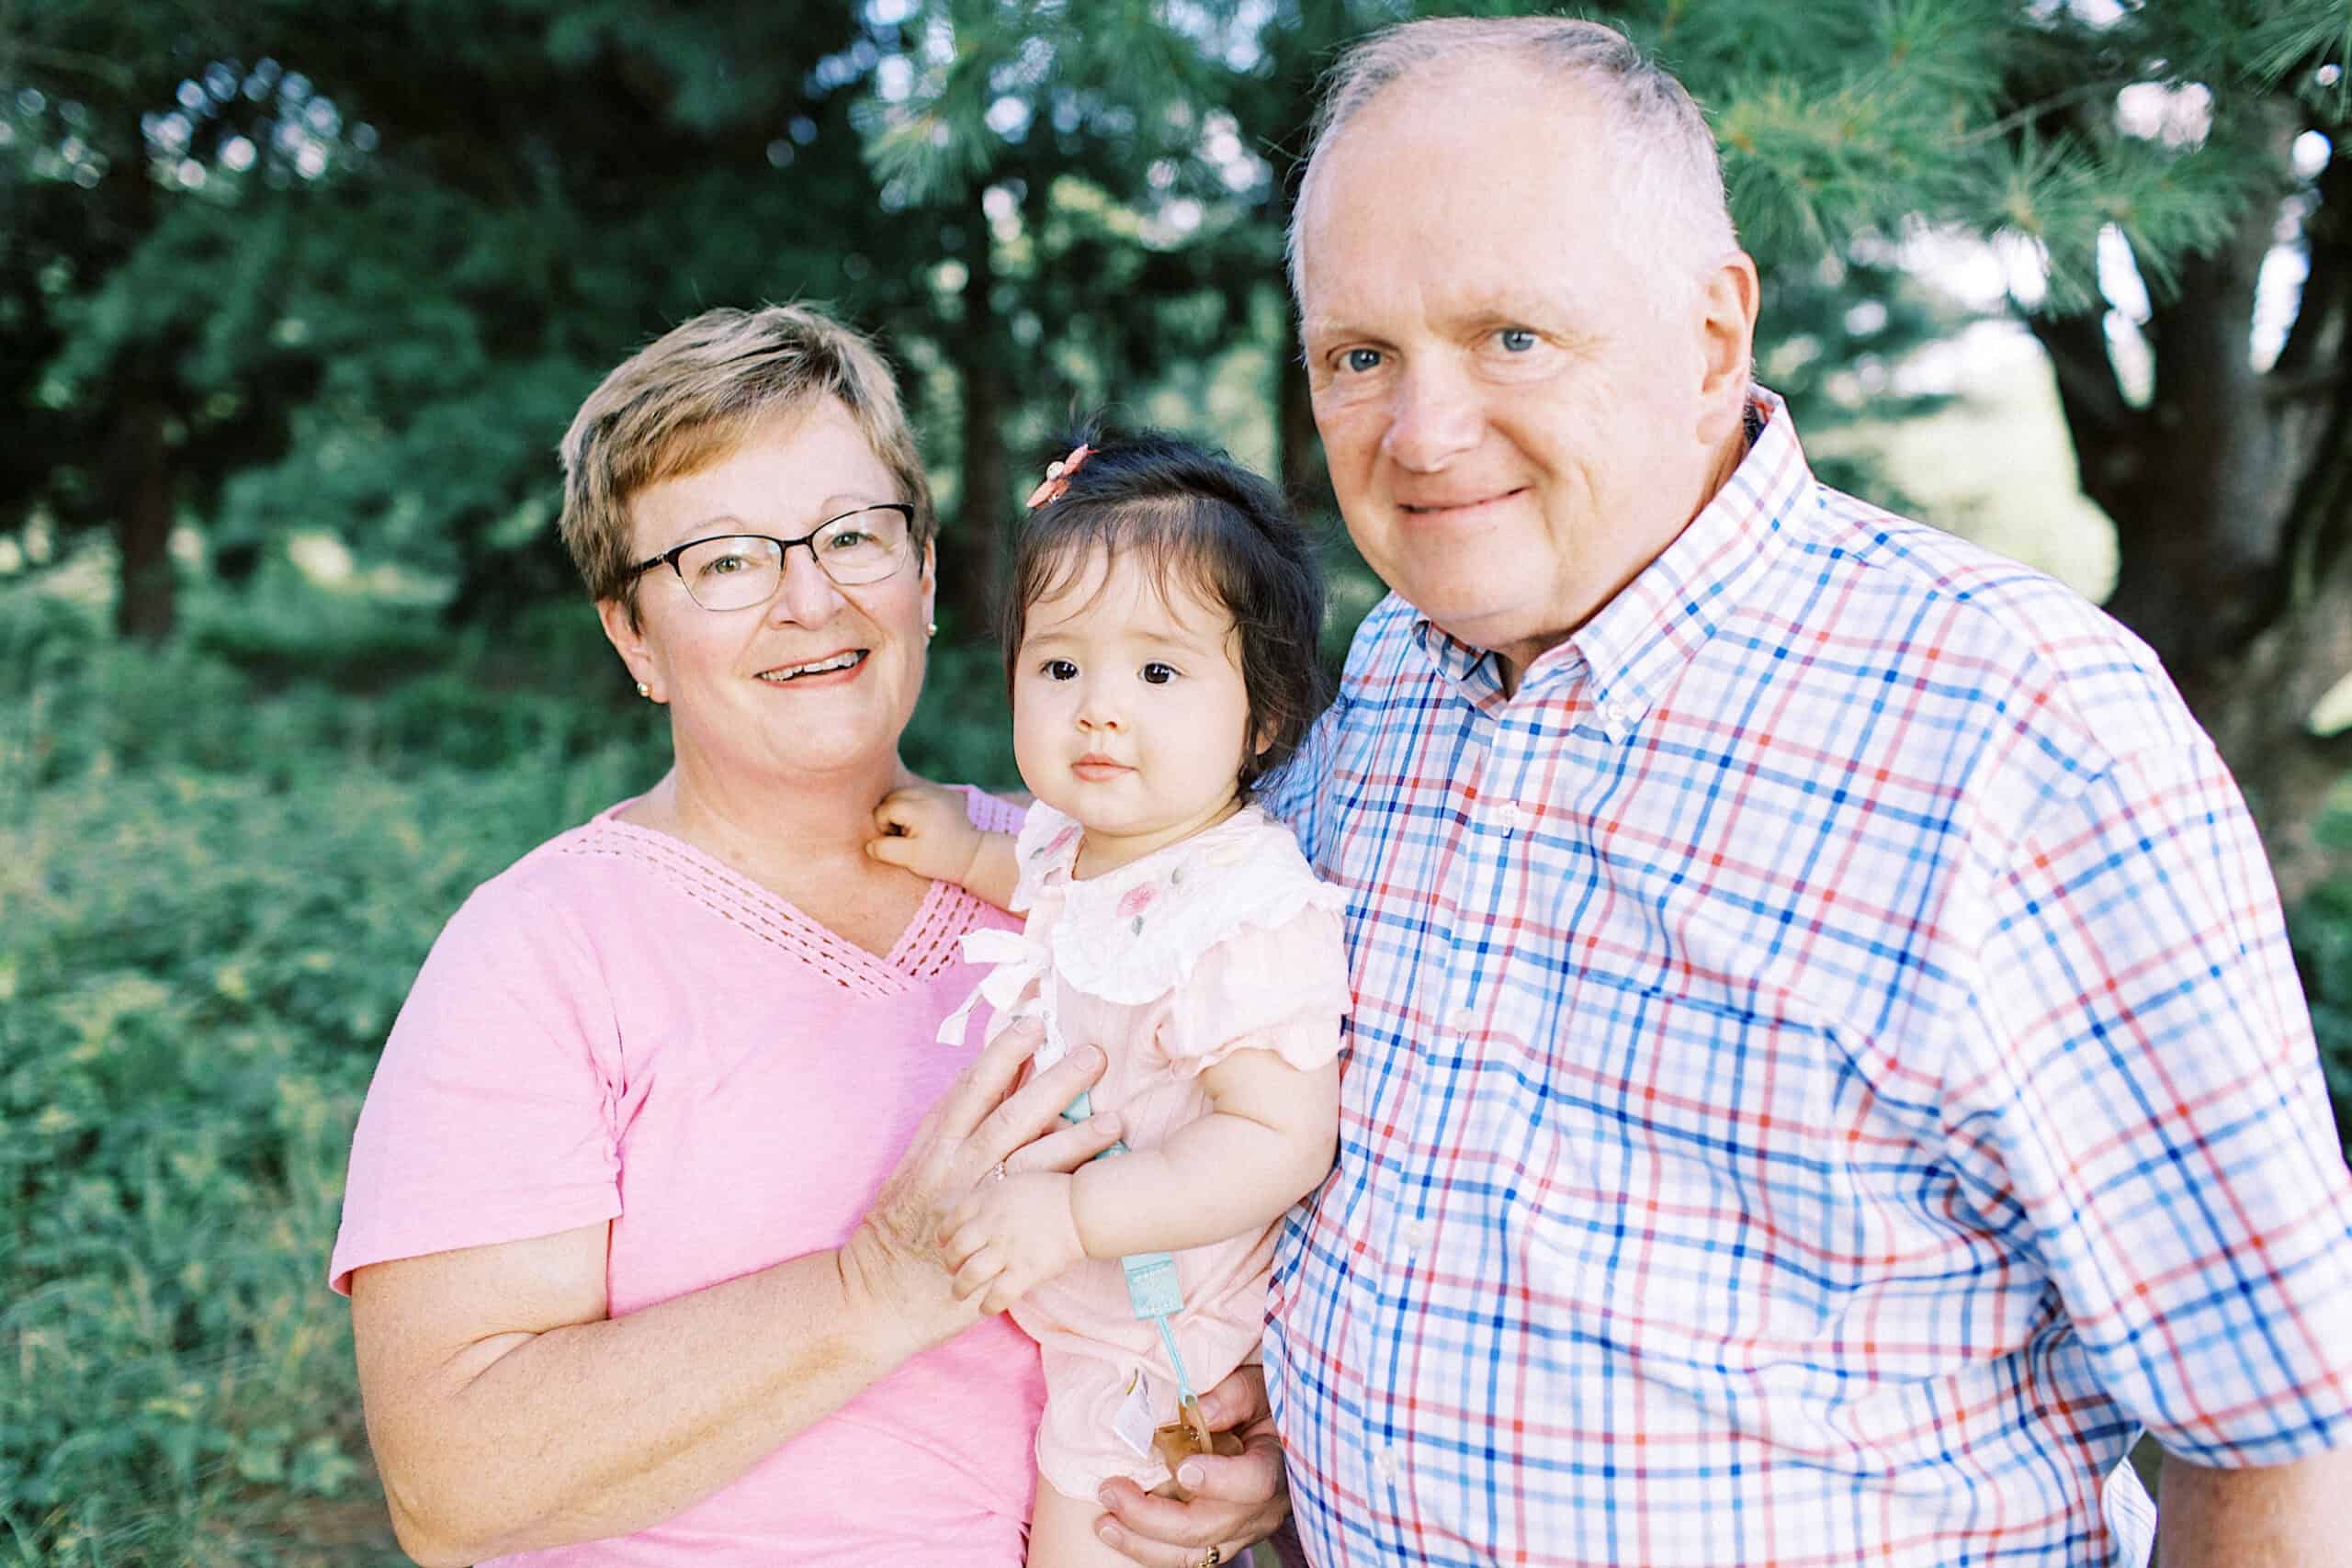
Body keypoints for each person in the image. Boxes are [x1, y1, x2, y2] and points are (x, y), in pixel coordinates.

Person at [1134, 16, 2352, 1568]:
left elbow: (2276, 1432)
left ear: (1713, 336)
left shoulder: (2023, 732)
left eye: (1513, 335)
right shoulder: (1381, 696)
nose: (1424, 434)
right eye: (1360, 356)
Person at [329, 303, 1146, 1567]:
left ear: (925, 577)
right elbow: (451, 1480)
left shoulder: (1104, 872)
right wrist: (877, 1286)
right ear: (633, 636)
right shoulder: (539, 953)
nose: (810, 599)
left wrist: (1228, 1454)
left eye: (853, 535)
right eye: (725, 560)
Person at [866, 431, 1344, 1568]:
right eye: (1061, 666)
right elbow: (1042, 893)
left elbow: (1277, 1137)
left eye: (1159, 672)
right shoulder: (1086, 847)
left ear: (1263, 717)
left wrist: (1076, 1217)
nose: (1098, 710)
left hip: (1162, 1339)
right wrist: (954, 846)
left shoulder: (1245, 907)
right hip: (1076, 1303)